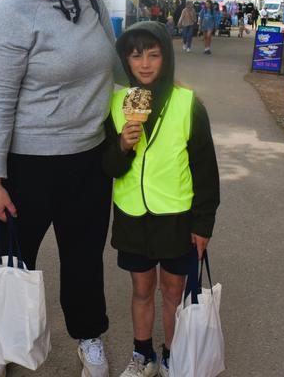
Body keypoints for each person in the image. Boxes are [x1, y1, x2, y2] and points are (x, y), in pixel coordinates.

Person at [0, 0, 121, 377]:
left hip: (89, 160)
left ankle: (89, 337)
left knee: (84, 259)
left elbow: (114, 70)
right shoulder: (12, 11)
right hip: (28, 165)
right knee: (12, 260)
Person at [102, 21, 220, 377]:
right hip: (132, 214)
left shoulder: (188, 103)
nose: (146, 64)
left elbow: (205, 170)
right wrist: (122, 144)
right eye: (136, 56)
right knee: (141, 288)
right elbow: (108, 166)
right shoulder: (117, 103)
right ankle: (143, 356)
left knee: (172, 291)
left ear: (166, 58)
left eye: (154, 55)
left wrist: (203, 224)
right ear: (126, 61)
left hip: (176, 217)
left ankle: (171, 355)